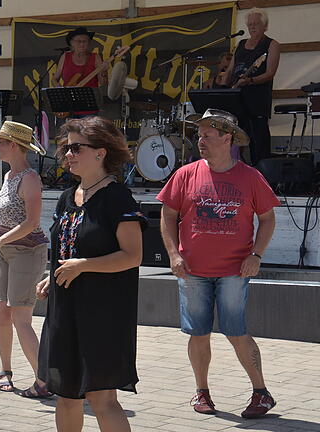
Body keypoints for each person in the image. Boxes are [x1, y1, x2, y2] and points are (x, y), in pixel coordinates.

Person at [158, 109, 279, 419]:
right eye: (199, 135)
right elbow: (167, 215)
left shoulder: (250, 177)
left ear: (227, 137)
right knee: (197, 333)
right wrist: (173, 254)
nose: (201, 140)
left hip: (234, 271)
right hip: (192, 271)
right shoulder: (186, 173)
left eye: (207, 135)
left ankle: (261, 393)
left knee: (236, 332)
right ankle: (202, 393)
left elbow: (267, 219)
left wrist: (257, 255)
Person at [36, 116, 145, 432]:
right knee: (65, 395)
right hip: (65, 309)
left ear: (100, 152)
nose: (67, 154)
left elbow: (132, 256)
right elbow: (65, 249)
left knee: (101, 399)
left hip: (103, 313)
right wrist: (51, 275)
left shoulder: (117, 198)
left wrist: (82, 266)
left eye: (75, 148)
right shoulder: (67, 197)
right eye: (65, 148)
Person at [0, 121, 50, 398]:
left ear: (14, 146)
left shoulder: (29, 178)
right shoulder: (7, 177)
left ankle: (44, 380)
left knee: (21, 317)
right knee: (3, 313)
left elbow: (31, 222)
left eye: (1, 142)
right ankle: (5, 370)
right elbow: (6, 218)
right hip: (6, 251)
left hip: (27, 252)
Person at [222, 8, 280, 166]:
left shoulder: (271, 45)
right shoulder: (241, 44)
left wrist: (250, 81)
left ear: (265, 26)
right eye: (250, 24)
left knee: (258, 143)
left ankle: (262, 178)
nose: (252, 27)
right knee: (232, 142)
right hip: (237, 101)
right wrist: (224, 83)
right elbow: (231, 69)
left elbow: (270, 73)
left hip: (257, 101)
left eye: (256, 24)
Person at [52, 27, 105, 117]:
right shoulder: (65, 56)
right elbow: (54, 79)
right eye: (79, 41)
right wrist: (62, 92)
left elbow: (103, 82)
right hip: (68, 106)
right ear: (71, 43)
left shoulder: (95, 57)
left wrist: (104, 71)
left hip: (89, 107)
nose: (82, 44)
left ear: (89, 44)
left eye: (85, 41)